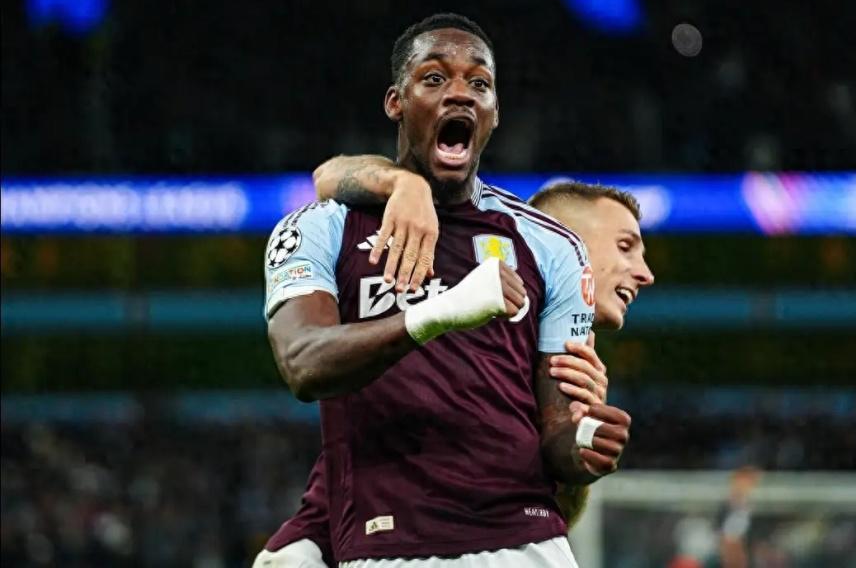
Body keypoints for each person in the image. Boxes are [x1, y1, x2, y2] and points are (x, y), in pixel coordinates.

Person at [262, 13, 632, 567]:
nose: (460, 93)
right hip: (391, 547)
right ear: (396, 102)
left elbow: (556, 434)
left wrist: (584, 443)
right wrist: (439, 312)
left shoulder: (550, 245)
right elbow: (303, 363)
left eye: (479, 83)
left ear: (494, 113)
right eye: (434, 78)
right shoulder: (321, 228)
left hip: (527, 547)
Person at [255, 175, 655, 567]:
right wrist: (402, 184)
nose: (644, 273)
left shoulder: (567, 351)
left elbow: (555, 507)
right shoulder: (475, 297)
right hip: (368, 544)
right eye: (625, 247)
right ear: (563, 237)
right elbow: (330, 176)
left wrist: (580, 445)